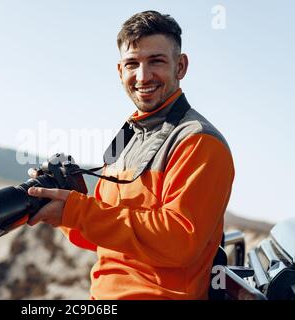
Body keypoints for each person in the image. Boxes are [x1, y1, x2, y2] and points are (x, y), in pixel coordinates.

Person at [26, 10, 234, 300]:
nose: (143, 76)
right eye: (132, 64)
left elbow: (178, 242)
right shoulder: (125, 137)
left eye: (156, 61)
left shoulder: (198, 141)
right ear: (120, 71)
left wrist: (79, 211)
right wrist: (62, 210)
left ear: (181, 66)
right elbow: (108, 237)